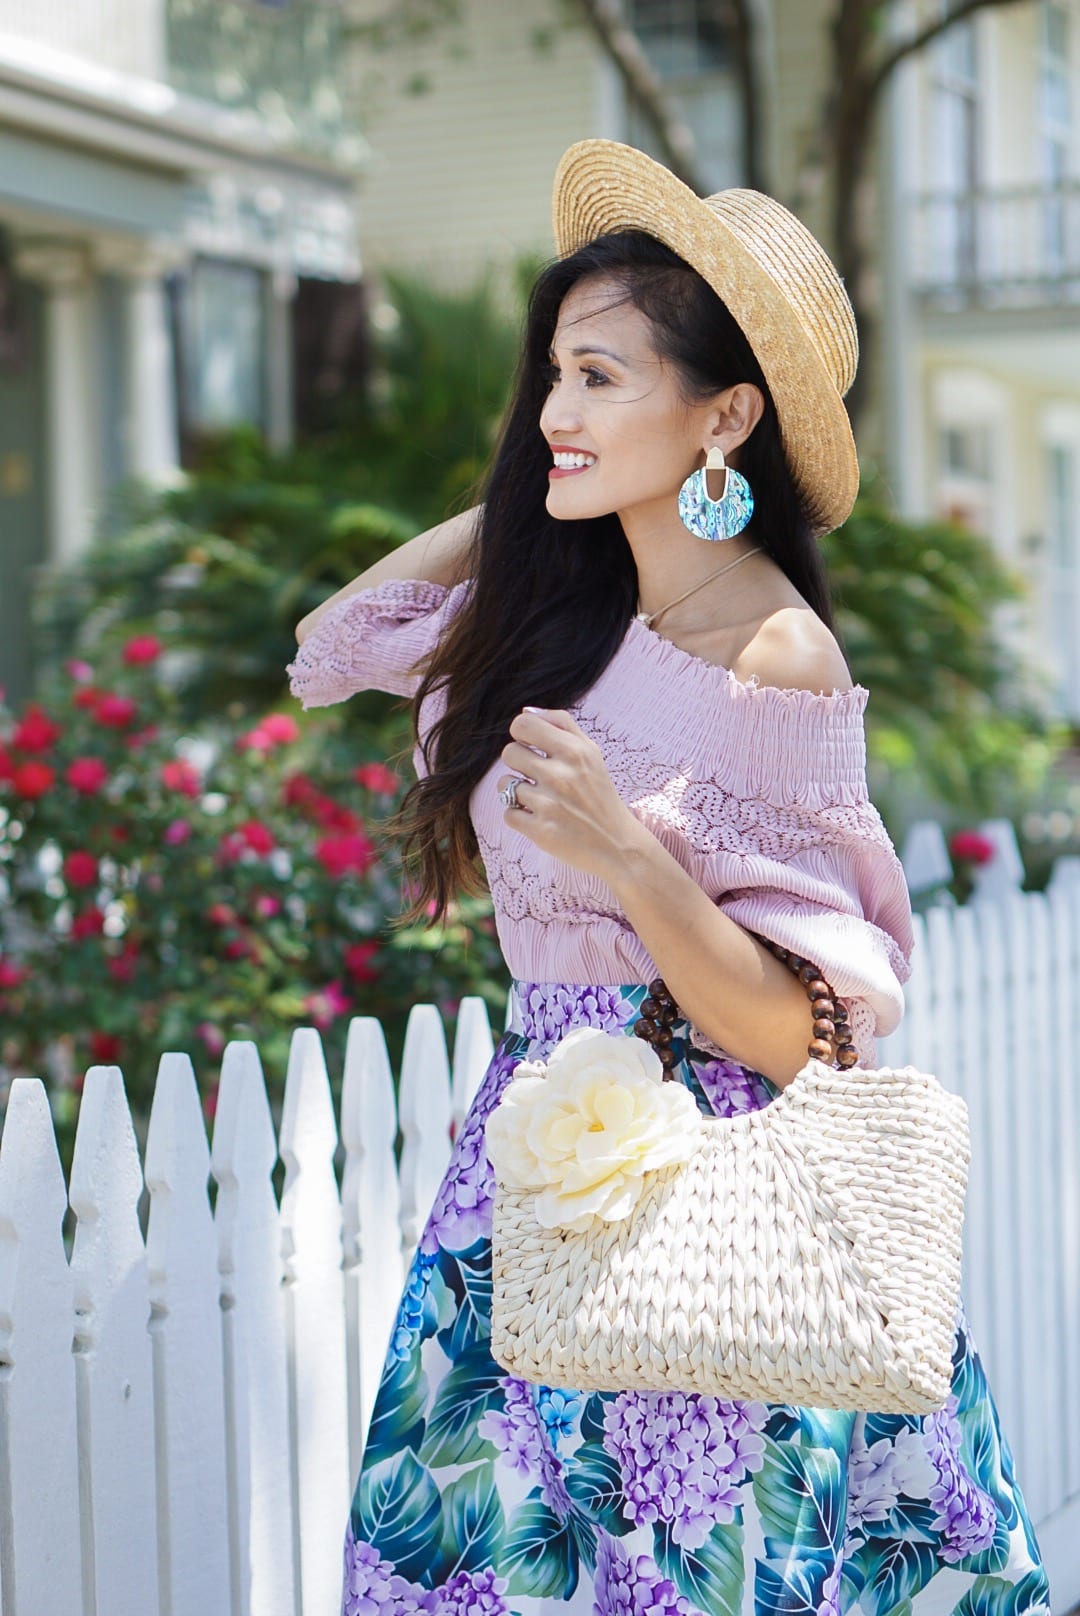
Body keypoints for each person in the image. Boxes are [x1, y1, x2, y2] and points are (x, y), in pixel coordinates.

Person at [287, 140, 1050, 1616]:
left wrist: (633, 861)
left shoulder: (773, 654)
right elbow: (333, 647)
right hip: (531, 1175)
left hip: (710, 1218)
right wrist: (531, 482)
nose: (556, 415)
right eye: (551, 377)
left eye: (599, 380)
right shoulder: (573, 612)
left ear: (728, 415)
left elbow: (804, 1031)